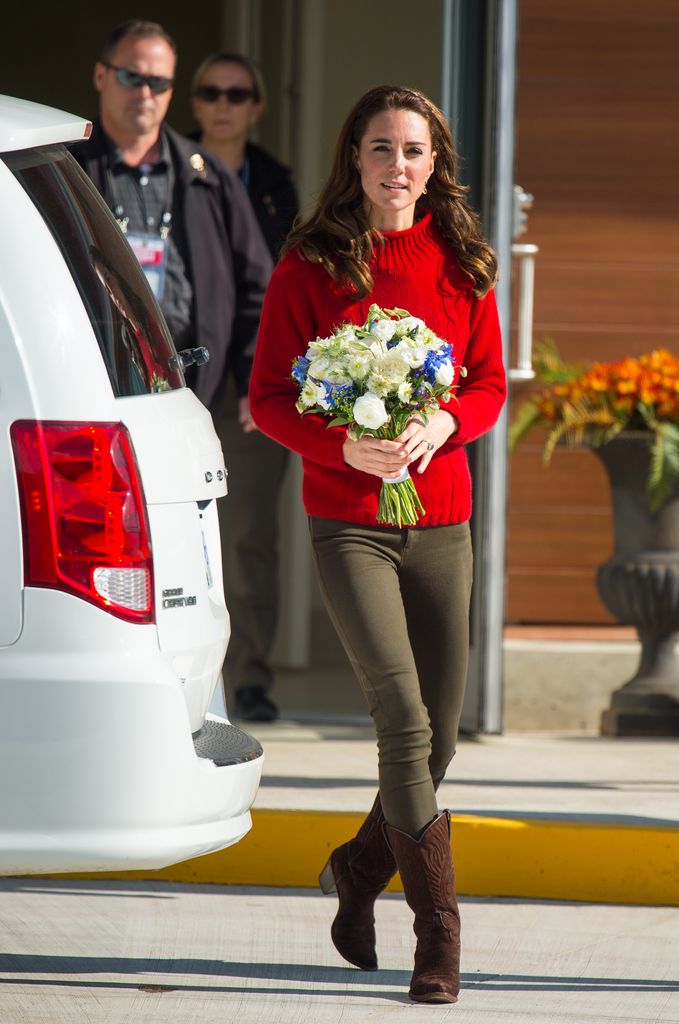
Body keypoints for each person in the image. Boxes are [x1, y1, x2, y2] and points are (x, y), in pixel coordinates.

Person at [249, 85, 506, 1003]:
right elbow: (269, 400)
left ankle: (357, 872)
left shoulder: (465, 261)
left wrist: (445, 425)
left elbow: (485, 385)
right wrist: (341, 442)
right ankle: (437, 935)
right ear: (351, 159)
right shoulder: (310, 263)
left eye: (413, 151)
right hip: (350, 524)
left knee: (436, 742)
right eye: (378, 149)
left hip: (441, 522)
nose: (396, 167)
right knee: (401, 719)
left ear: (434, 165)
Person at [69, 21, 274, 719]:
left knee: (225, 545)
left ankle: (236, 681)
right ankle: (124, 686)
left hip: (198, 398)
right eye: (132, 77)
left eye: (157, 81)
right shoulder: (67, 169)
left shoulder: (204, 175)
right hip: (97, 397)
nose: (145, 94)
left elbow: (258, 285)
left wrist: (250, 379)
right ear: (102, 77)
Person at [190, 52, 300, 722]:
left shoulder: (275, 185)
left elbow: (279, 290)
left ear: (257, 106)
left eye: (238, 94)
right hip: (175, 383)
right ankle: (187, 679)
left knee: (252, 534)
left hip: (251, 389)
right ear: (195, 103)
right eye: (211, 92)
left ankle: (250, 676)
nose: (224, 104)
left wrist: (265, 381)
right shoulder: (164, 173)